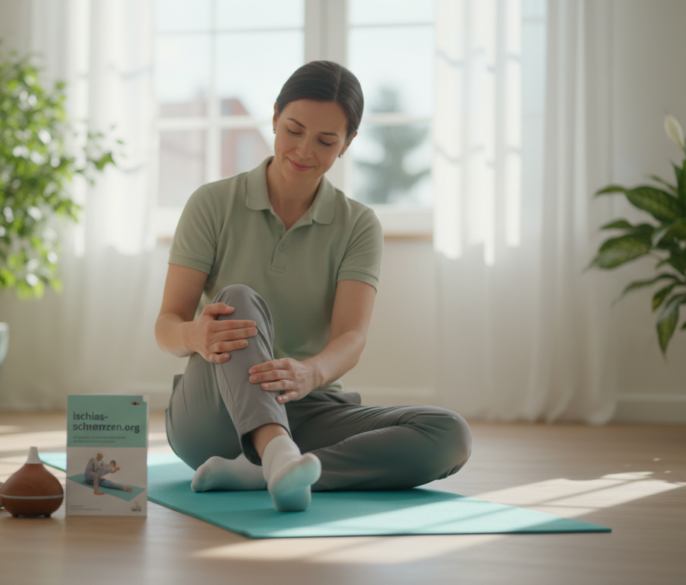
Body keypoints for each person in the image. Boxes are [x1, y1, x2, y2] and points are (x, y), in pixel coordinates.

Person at [155, 61, 472, 513]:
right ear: (274, 119)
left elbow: (351, 337)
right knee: (238, 299)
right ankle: (276, 452)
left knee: (449, 433)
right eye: (294, 130)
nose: (304, 150)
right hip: (215, 415)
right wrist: (194, 335)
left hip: (305, 406)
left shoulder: (358, 224)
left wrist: (311, 373)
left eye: (326, 140)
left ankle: (265, 470)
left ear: (348, 144)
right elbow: (167, 323)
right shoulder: (212, 203)